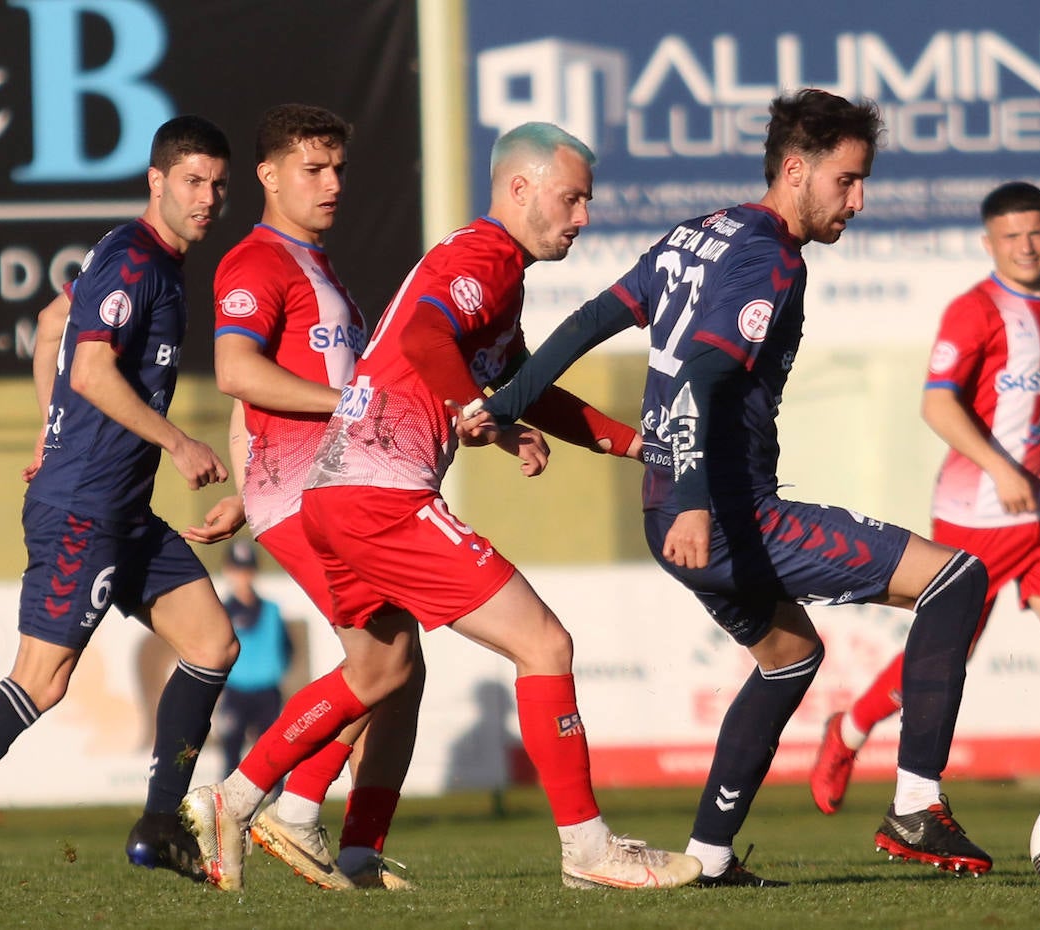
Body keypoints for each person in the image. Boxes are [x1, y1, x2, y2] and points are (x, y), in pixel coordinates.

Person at [466, 89, 996, 882]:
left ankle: (710, 858)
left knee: (787, 658)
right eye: (847, 181)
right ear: (795, 170)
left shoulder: (696, 234)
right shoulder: (768, 257)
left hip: (672, 513)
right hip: (725, 511)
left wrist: (500, 404)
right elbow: (706, 375)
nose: (859, 200)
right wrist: (691, 500)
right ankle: (918, 804)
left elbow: (585, 323)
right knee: (957, 579)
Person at [180, 121, 703, 892]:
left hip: (337, 494)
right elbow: (427, 335)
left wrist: (637, 445)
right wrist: (474, 409)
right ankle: (589, 852)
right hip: (376, 492)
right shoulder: (481, 255)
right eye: (571, 199)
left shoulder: (500, 276)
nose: (582, 217)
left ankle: (241, 800)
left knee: (383, 666)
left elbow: (527, 385)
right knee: (545, 646)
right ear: (519, 189)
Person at [0, 115, 237, 888]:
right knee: (42, 678)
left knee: (211, 644)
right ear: (157, 181)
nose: (207, 198)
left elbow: (50, 329)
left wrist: (49, 432)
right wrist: (177, 442)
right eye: (192, 182)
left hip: (123, 508)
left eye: (217, 185)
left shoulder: (151, 263)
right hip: (84, 507)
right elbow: (91, 369)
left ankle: (158, 824)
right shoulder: (136, 260)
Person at [809, 181, 1040, 836]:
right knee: (946, 656)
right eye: (1012, 236)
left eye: (1036, 233)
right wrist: (998, 467)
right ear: (990, 243)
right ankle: (851, 725)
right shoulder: (973, 310)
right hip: (978, 515)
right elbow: (938, 403)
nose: (1027, 246)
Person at [197, 102, 426, 891]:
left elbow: (245, 405)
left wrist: (240, 489)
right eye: (313, 169)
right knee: (383, 659)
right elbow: (235, 372)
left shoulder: (317, 267)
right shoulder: (256, 263)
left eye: (338, 169)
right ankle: (249, 800)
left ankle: (347, 844)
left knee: (400, 661)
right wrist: (350, 405)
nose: (332, 184)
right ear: (269, 175)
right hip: (304, 496)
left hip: (306, 488)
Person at [215, 539, 292, 776]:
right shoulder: (221, 611)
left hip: (267, 693)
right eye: (237, 570)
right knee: (231, 755)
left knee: (273, 755)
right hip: (235, 692)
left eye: (247, 570)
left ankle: (277, 805)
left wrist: (273, 672)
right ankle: (229, 808)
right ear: (228, 571)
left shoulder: (271, 610)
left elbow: (287, 648)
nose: (243, 577)